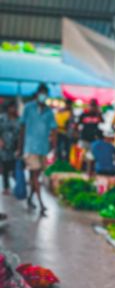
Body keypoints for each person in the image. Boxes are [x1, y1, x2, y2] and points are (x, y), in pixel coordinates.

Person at [17, 83, 57, 213]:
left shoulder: (49, 112)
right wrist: (20, 147)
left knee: (36, 176)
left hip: (43, 148)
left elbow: (54, 129)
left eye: (45, 94)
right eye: (41, 93)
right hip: (30, 147)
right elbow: (22, 128)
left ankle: (30, 197)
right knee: (35, 175)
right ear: (37, 94)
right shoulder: (28, 108)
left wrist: (54, 148)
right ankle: (41, 203)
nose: (43, 96)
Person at [77, 99, 103, 173]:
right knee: (81, 156)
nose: (92, 107)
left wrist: (99, 113)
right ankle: (80, 170)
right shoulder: (84, 114)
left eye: (94, 106)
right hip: (84, 138)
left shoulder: (98, 115)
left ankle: (90, 171)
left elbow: (102, 123)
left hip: (94, 140)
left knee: (91, 157)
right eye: (91, 105)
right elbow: (77, 125)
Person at [0, 101, 20, 195]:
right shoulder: (2, 118)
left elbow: (21, 132)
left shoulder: (18, 119)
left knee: (15, 166)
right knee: (5, 167)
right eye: (11, 107)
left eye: (14, 107)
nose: (12, 109)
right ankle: (6, 187)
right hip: (4, 145)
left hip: (15, 146)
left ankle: (18, 185)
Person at [55, 98, 75, 163]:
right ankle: (59, 162)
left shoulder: (71, 113)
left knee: (67, 149)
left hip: (68, 134)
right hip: (60, 133)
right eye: (67, 104)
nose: (68, 105)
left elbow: (72, 125)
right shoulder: (61, 111)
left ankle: (66, 163)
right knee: (59, 149)